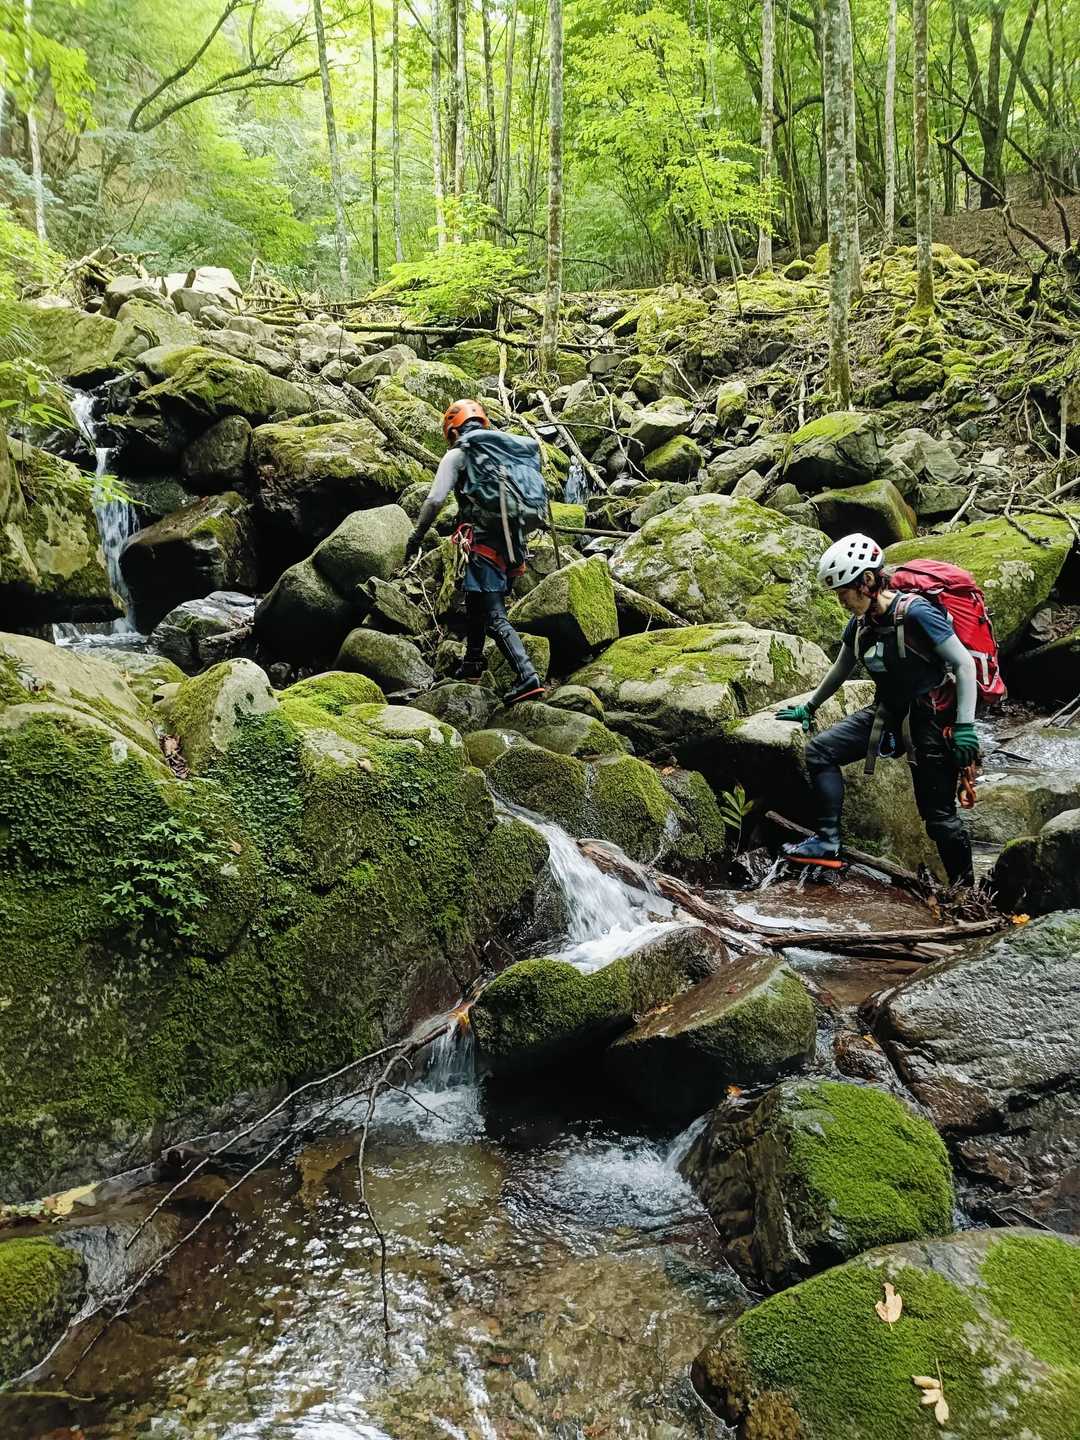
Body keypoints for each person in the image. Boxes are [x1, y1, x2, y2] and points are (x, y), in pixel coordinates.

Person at [775, 532, 980, 886]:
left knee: (940, 820)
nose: (840, 601)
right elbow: (841, 668)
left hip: (929, 720)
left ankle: (966, 893)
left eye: (843, 592)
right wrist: (809, 707)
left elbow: (964, 665)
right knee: (820, 752)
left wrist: (965, 727)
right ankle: (827, 842)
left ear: (867, 581)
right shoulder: (860, 625)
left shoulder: (917, 613)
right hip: (886, 714)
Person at [403, 399, 544, 705]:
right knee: (476, 602)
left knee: (493, 614)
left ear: (453, 431)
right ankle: (472, 664)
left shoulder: (460, 454)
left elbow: (435, 500)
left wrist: (416, 536)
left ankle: (527, 675)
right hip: (514, 542)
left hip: (483, 543)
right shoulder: (505, 452)